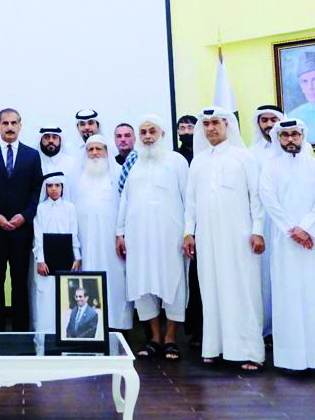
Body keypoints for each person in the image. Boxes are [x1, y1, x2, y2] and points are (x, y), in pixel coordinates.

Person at [259, 119, 315, 374]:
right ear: (278, 139)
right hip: (286, 241)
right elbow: (269, 200)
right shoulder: (270, 168)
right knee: (289, 297)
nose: (290, 139)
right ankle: (293, 361)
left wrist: (307, 229)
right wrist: (293, 230)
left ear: (303, 135)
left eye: (295, 134)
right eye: (285, 135)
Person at [184, 107, 265, 371]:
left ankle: (249, 351)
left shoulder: (244, 157)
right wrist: (188, 232)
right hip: (207, 236)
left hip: (240, 235)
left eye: (215, 123)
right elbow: (191, 202)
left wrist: (258, 230)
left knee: (242, 289)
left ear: (228, 125)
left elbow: (257, 196)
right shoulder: (198, 161)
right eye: (205, 124)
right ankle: (214, 348)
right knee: (212, 288)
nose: (210, 129)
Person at [116, 114, 190, 362]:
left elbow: (188, 198)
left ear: (163, 134)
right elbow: (125, 200)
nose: (147, 136)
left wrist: (189, 231)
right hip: (139, 237)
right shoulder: (134, 163)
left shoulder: (177, 161)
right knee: (142, 283)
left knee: (174, 283)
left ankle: (171, 338)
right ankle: (154, 338)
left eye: (152, 131)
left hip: (171, 236)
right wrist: (119, 232)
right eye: (144, 132)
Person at [0, 108, 43, 332]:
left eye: (14, 123)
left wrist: (24, 216)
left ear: (21, 125)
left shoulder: (32, 155)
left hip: (22, 231)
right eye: (5, 123)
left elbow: (36, 190)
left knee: (19, 282)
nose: (10, 127)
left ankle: (22, 331)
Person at [74, 137, 133, 330]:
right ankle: (89, 325)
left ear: (107, 151)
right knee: (87, 275)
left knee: (115, 277)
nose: (94, 153)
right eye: (90, 149)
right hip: (85, 240)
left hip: (111, 241)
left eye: (99, 148)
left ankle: (117, 323)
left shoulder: (116, 173)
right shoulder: (79, 176)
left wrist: (121, 234)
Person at [249, 104, 284, 339]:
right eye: (264, 120)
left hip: (288, 224)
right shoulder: (252, 152)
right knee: (263, 279)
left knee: (286, 275)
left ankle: (286, 330)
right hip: (261, 223)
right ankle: (266, 332)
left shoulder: (296, 148)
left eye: (273, 120)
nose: (269, 125)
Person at [31, 172, 81, 332]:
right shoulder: (40, 208)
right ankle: (44, 334)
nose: (53, 189)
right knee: (45, 296)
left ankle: (65, 333)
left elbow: (74, 233)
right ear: (45, 189)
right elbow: (37, 236)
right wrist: (40, 259)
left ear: (62, 188)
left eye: (57, 185)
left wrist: (77, 256)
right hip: (45, 260)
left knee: (65, 295)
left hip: (66, 258)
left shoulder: (70, 208)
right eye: (50, 186)